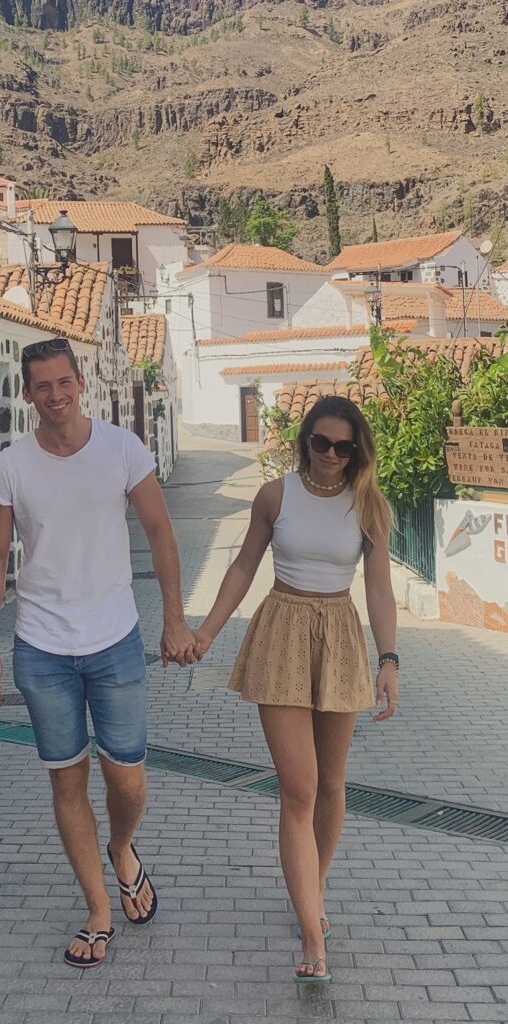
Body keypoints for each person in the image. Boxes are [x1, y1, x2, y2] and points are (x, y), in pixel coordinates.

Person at [0, 337, 197, 969]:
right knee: (67, 780)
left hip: (115, 639)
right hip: (40, 648)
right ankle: (97, 907)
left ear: (80, 383)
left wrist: (174, 619)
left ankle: (122, 848)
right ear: (27, 394)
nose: (56, 394)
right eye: (42, 385)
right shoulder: (9, 468)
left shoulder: (122, 449)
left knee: (126, 777)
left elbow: (160, 530)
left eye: (64, 381)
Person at [194, 396, 399, 984]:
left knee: (332, 783)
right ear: (305, 439)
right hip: (281, 630)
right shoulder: (275, 496)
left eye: (344, 447)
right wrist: (207, 632)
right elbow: (242, 566)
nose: (332, 455)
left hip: (340, 636)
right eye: (321, 442)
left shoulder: (369, 505)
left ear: (356, 451)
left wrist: (389, 659)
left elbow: (379, 588)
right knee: (299, 788)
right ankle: (312, 930)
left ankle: (314, 885)